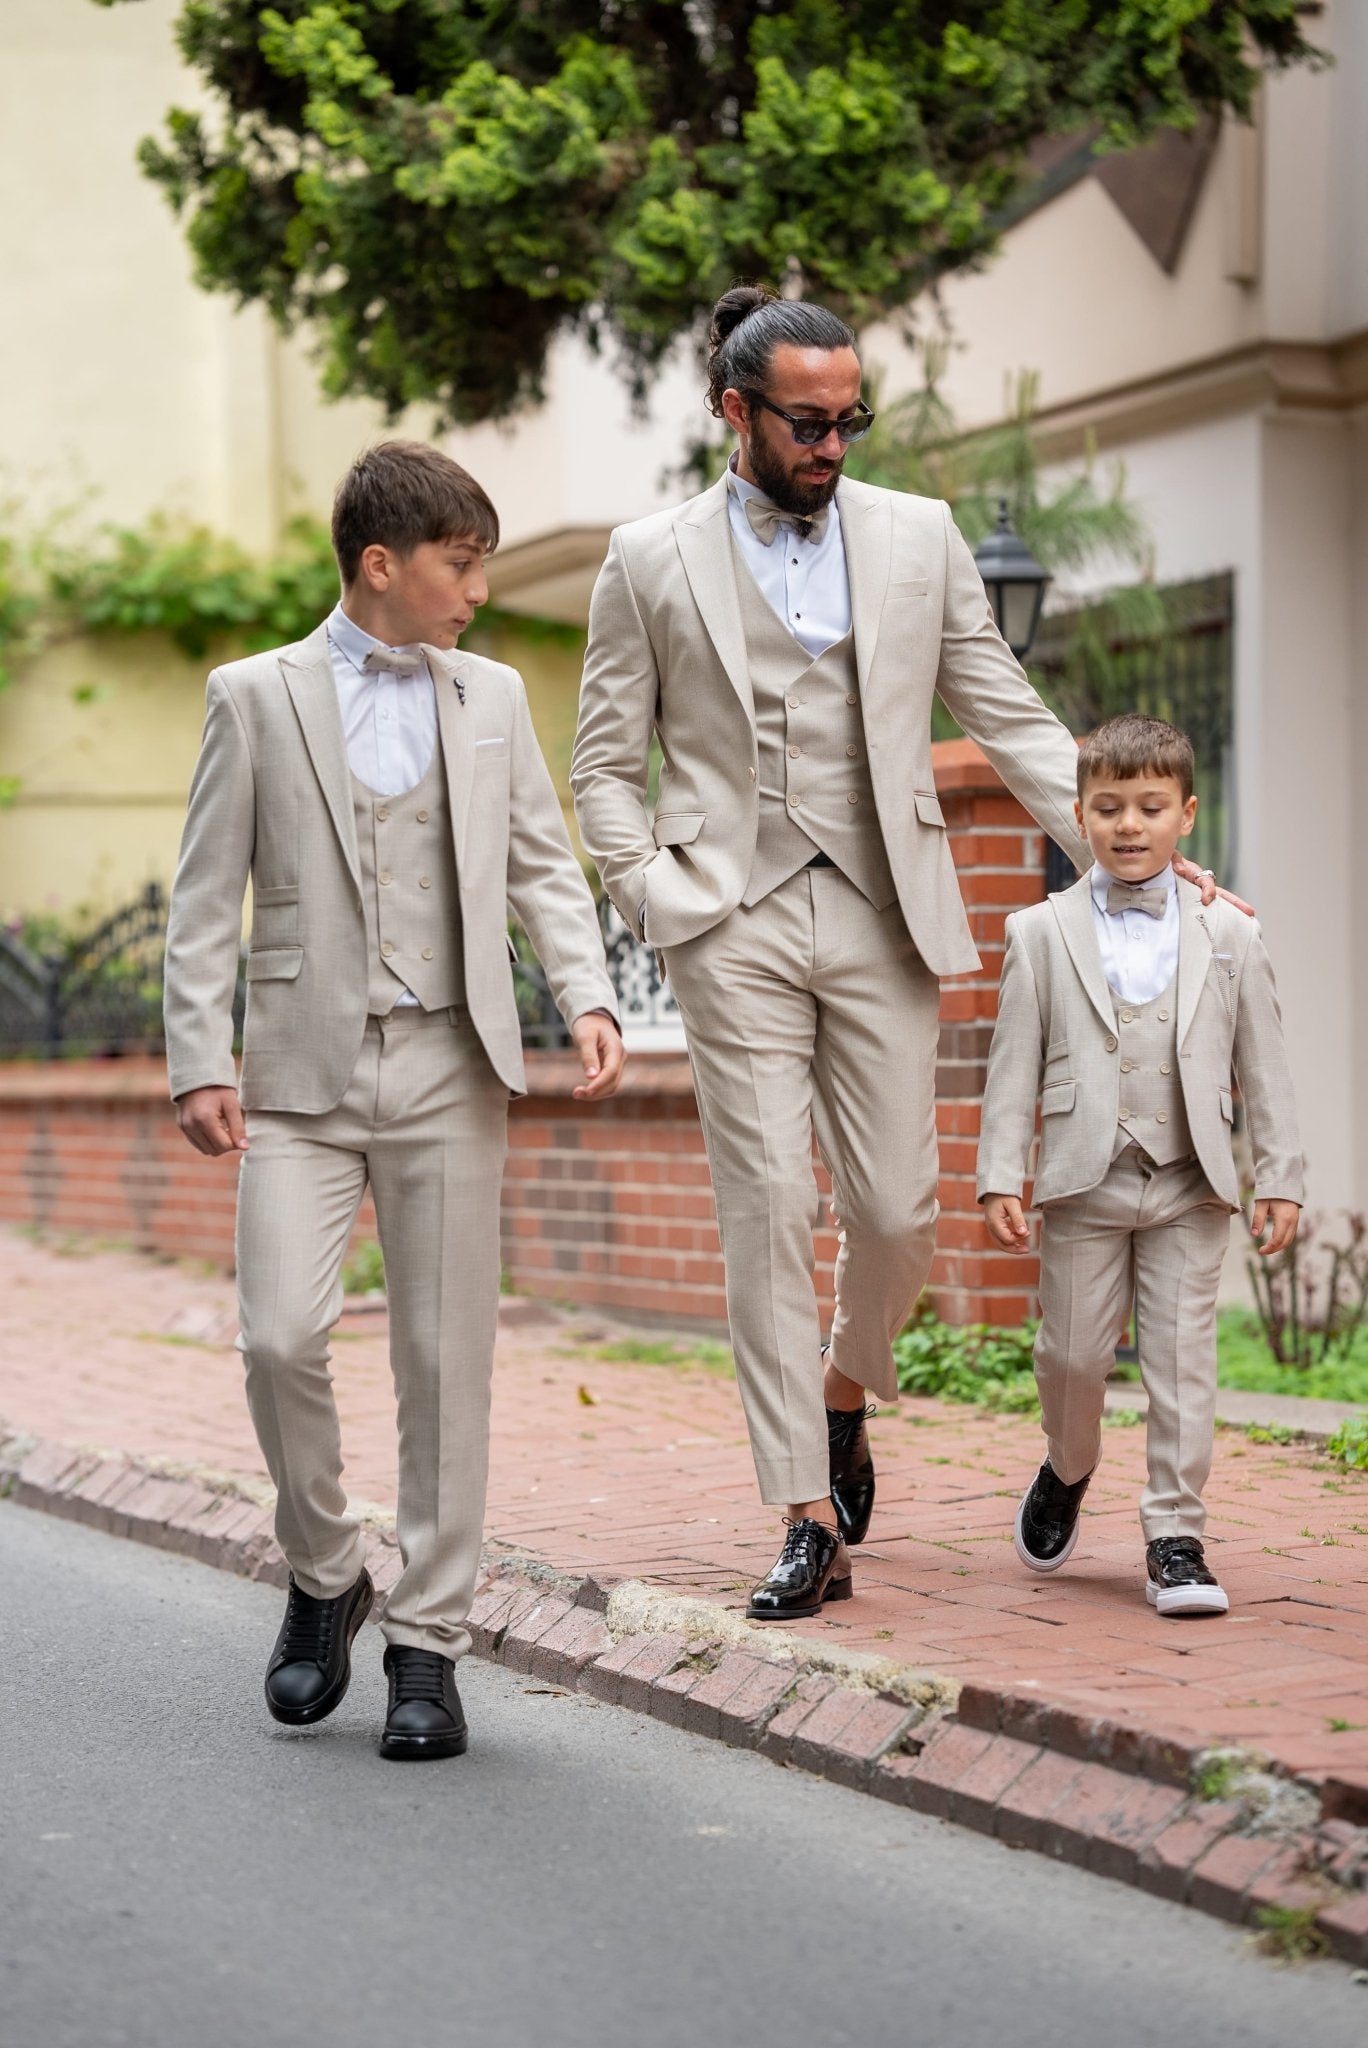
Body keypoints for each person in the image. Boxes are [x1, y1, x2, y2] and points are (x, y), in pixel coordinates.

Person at [571, 285, 1227, 1621]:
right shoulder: (646, 558)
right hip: (728, 914)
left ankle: (842, 1385)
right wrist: (651, 892)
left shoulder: (917, 537)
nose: (831, 443)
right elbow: (601, 765)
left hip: (883, 908)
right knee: (767, 1209)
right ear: (733, 411)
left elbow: (1006, 709)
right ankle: (802, 1508)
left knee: (895, 1216)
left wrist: (1119, 847)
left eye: (848, 420)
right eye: (805, 423)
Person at [164, 440, 623, 1757]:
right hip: (300, 1074)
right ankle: (324, 1574)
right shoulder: (253, 697)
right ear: (384, 565)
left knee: (442, 1364)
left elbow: (544, 860)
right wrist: (199, 1053)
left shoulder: (491, 696)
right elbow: (204, 896)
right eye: (462, 564)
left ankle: (429, 1642)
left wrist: (584, 992)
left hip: (447, 1061)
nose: (478, 588)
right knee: (276, 1336)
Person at [978, 714, 1302, 1615]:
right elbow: (1011, 1064)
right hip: (1084, 1177)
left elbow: (1262, 1060)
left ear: (1186, 814)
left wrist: (1279, 1174)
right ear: (1079, 815)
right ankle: (1067, 1464)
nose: (1130, 825)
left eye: (1150, 807)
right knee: (1072, 1357)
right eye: (1110, 807)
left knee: (1181, 1359)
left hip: (1192, 1178)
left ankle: (1175, 1537)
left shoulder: (1229, 932)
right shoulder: (1038, 932)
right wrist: (1001, 1171)